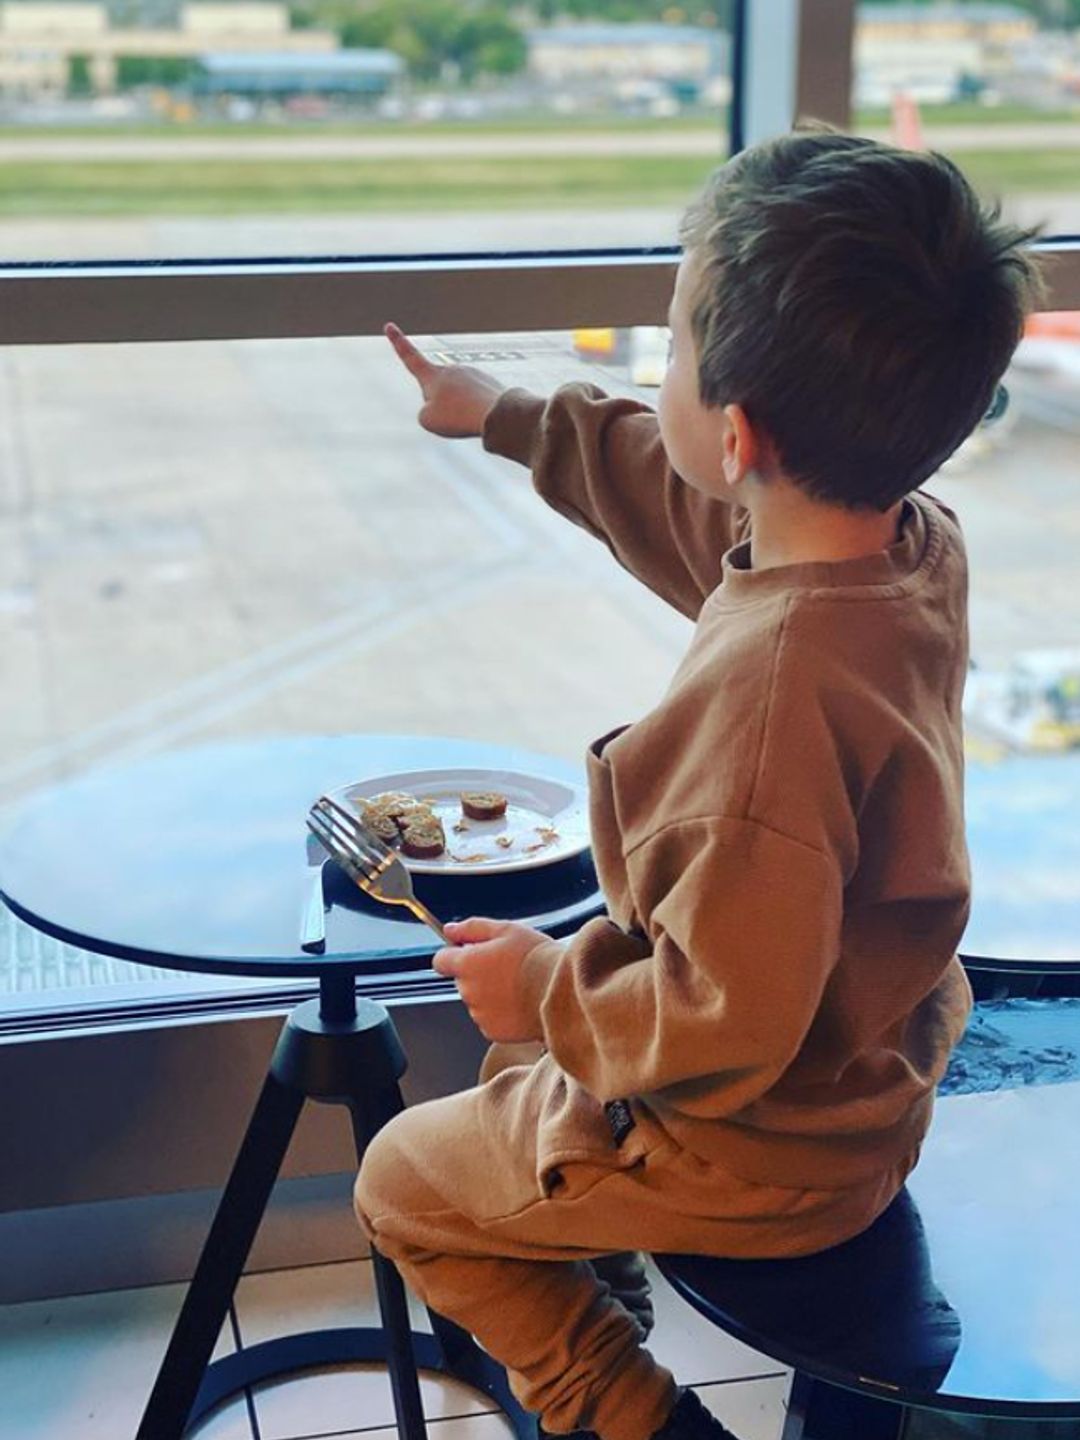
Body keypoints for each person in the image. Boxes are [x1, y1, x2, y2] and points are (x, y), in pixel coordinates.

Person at [355, 128, 1043, 1440]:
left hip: (768, 1140)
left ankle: (623, 1408)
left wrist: (544, 985)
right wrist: (501, 412)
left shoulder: (767, 716)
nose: (656, 362)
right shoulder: (900, 547)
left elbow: (725, 1023)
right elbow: (694, 516)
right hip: (869, 1043)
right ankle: (581, 1217)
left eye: (670, 341)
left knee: (403, 1179)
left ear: (735, 432)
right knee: (522, 1045)